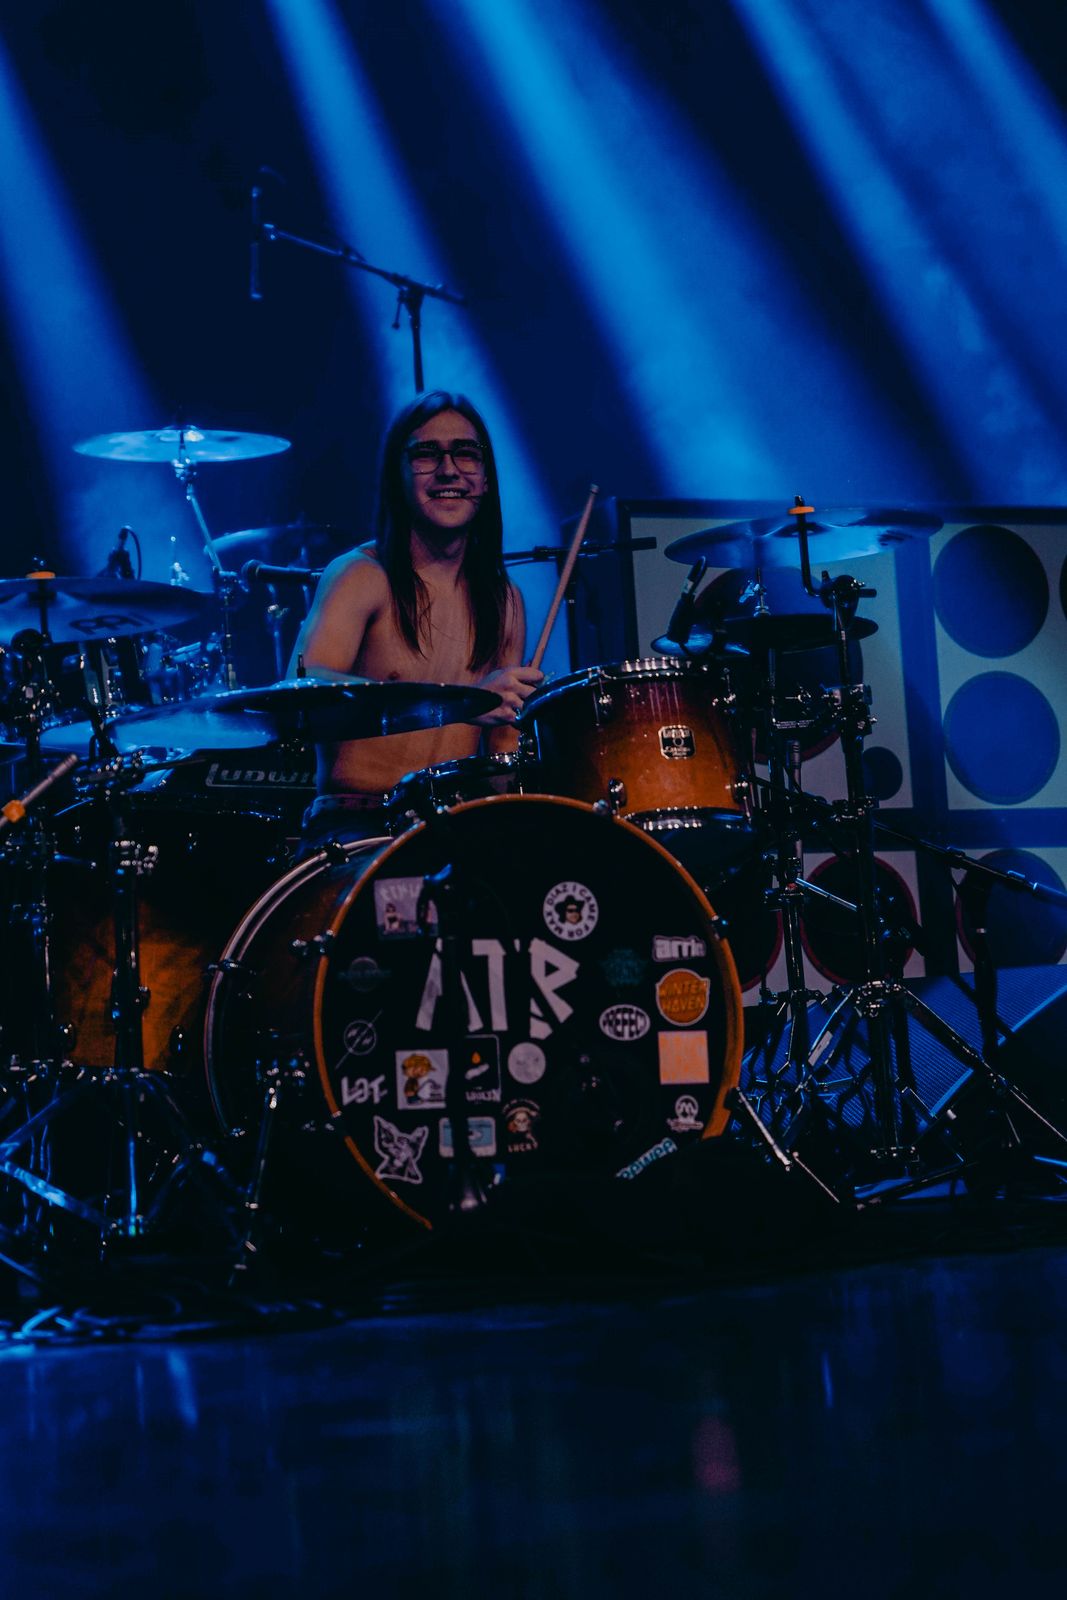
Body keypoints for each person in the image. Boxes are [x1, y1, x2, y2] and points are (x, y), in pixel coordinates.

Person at [288, 391, 543, 849]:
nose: (449, 470)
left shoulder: (505, 600)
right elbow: (303, 693)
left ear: (486, 479)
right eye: (427, 454)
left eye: (466, 453)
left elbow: (502, 753)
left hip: (457, 827)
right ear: (399, 476)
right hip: (357, 828)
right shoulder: (361, 575)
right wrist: (462, 704)